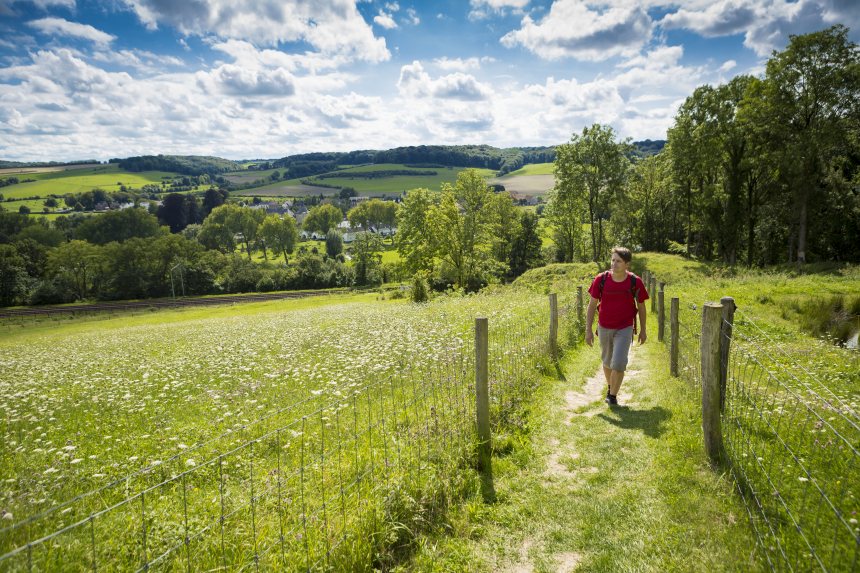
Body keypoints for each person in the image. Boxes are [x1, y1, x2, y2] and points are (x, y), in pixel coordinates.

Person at [584, 246, 648, 406]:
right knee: (607, 361)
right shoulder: (601, 279)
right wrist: (588, 331)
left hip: (625, 327)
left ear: (627, 264)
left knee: (618, 362)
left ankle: (612, 396)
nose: (614, 264)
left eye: (618, 261)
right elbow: (592, 306)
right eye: (613, 260)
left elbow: (641, 307)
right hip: (604, 326)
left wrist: (643, 330)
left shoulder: (635, 281)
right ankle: (610, 387)